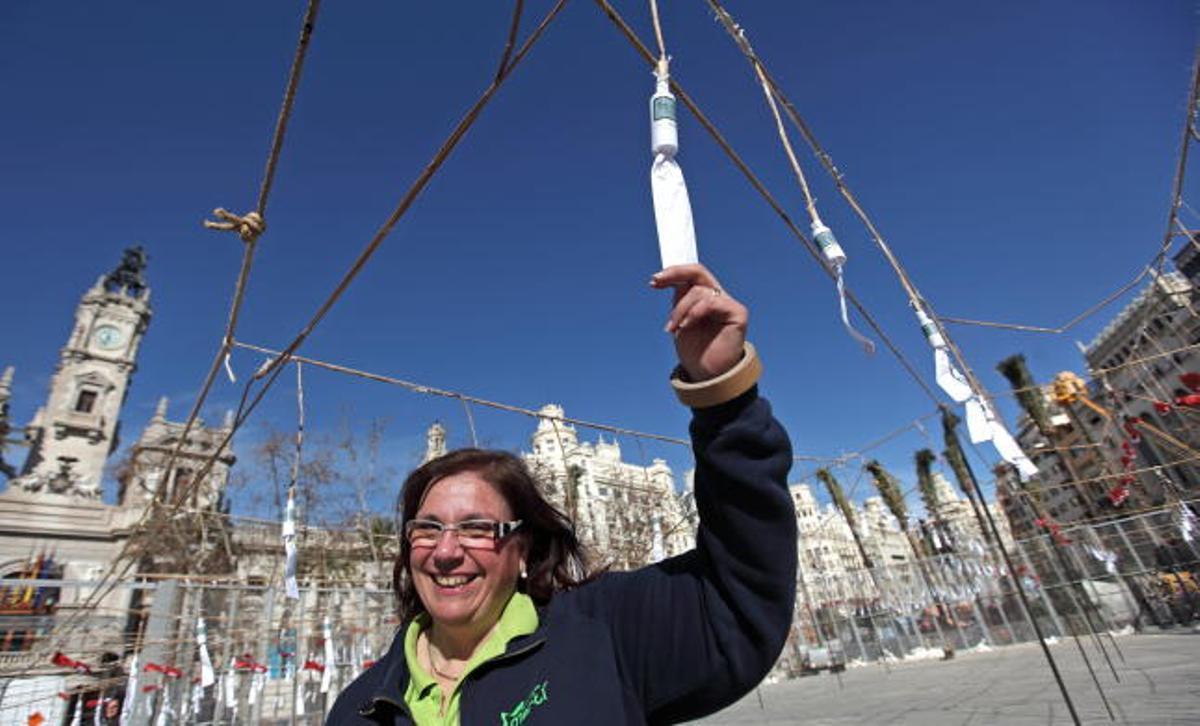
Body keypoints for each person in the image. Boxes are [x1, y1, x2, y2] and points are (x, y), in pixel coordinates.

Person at [329, 264, 798, 724]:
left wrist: (723, 398)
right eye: (428, 529)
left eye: (476, 528)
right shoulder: (359, 708)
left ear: (523, 549)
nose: (446, 551)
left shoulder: (605, 632)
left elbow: (736, 599)